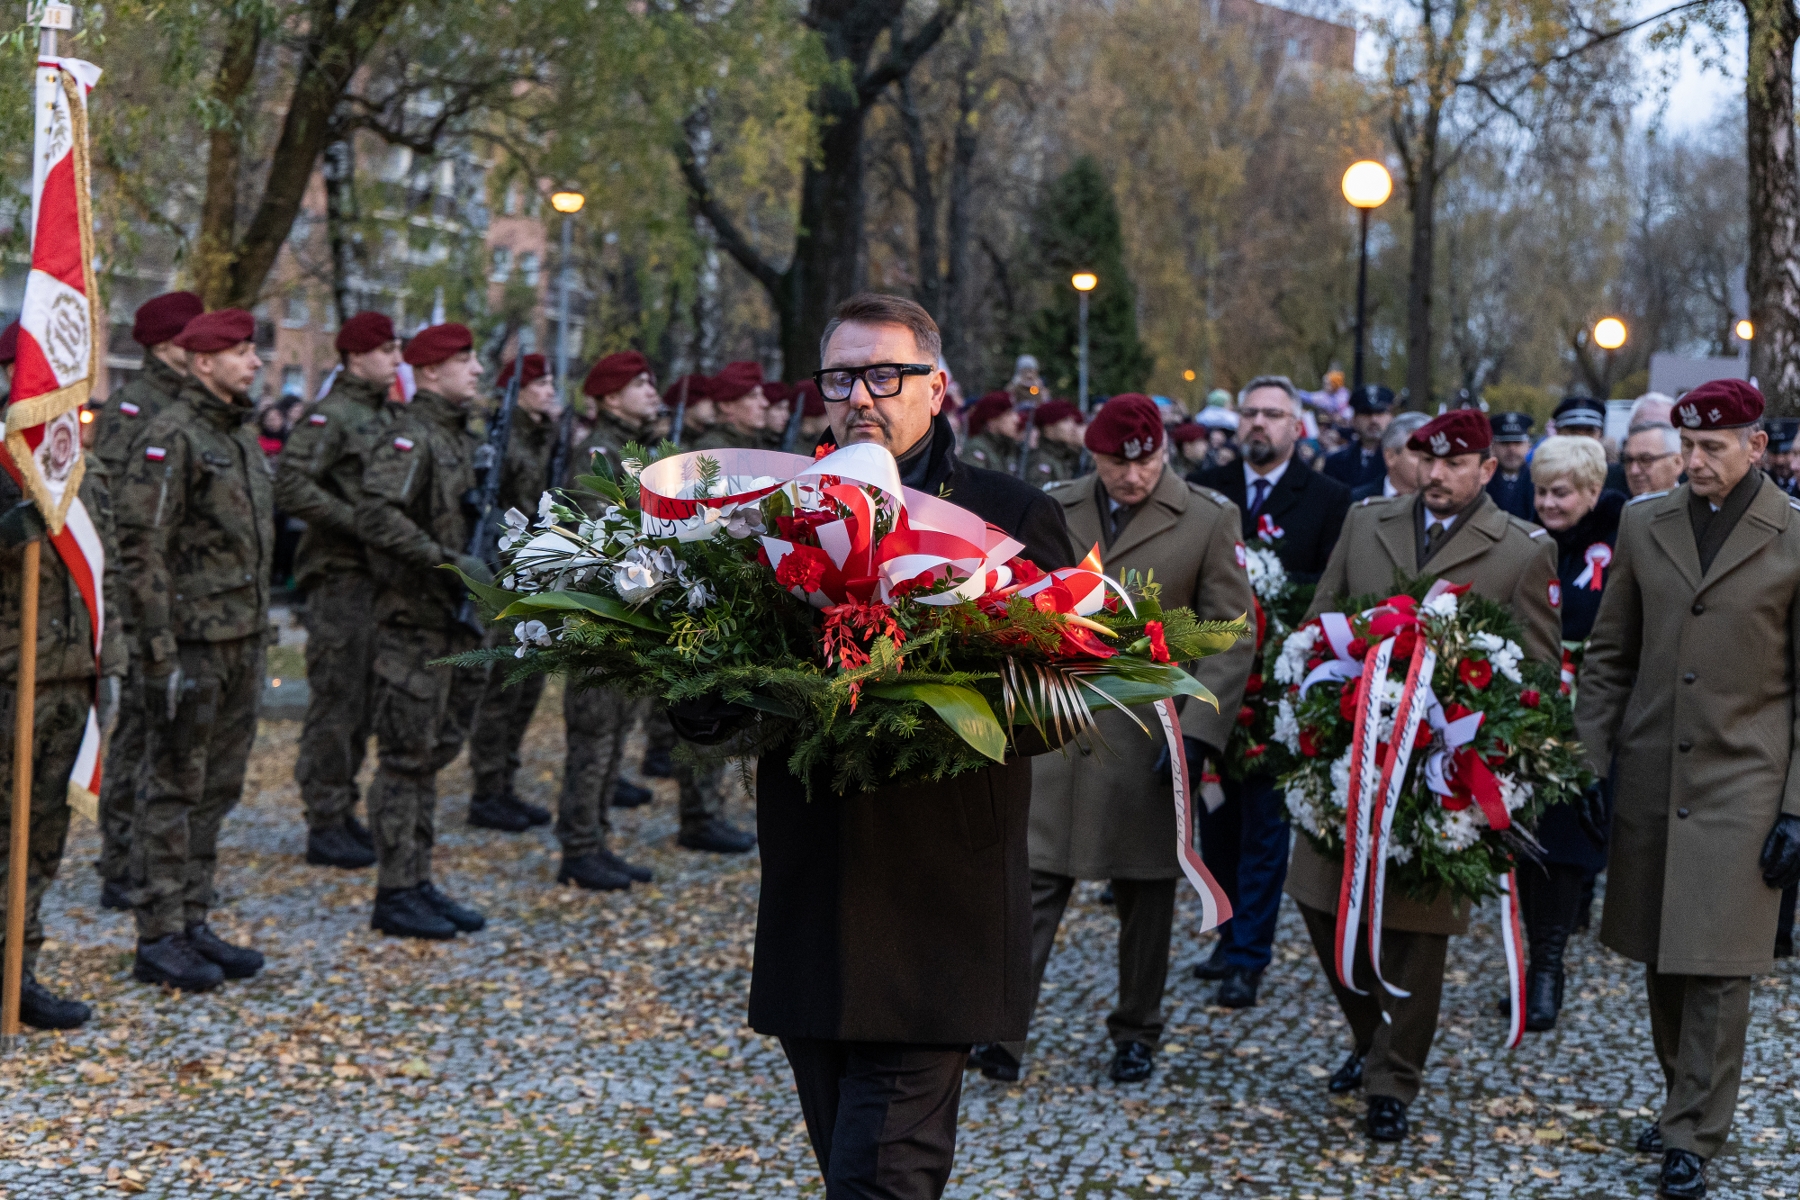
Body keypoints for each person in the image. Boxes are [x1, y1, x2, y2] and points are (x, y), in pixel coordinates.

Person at [752, 294, 1072, 1198]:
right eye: (842, 375)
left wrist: (929, 710)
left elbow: (1063, 700)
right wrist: (709, 705)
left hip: (939, 889)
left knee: (886, 1170)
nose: (862, 396)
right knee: (845, 1153)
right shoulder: (770, 511)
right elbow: (722, 670)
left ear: (939, 388)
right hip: (815, 876)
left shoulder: (1011, 514)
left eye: (886, 375)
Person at [970, 395, 1254, 1086]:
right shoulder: (1055, 505)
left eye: (1147, 462)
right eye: (1116, 464)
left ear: (1164, 452)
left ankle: (1137, 1030)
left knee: (1146, 896)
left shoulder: (1210, 518)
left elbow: (1231, 631)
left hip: (1146, 736)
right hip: (1056, 728)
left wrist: (1198, 735)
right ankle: (1002, 1031)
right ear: (1092, 457)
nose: (1133, 477)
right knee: (1031, 886)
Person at [1293, 409, 1559, 1143]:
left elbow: (1536, 671)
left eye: (1454, 462)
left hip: (1441, 771)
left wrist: (1505, 764)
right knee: (1320, 902)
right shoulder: (1367, 518)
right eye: (1425, 459)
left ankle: (1394, 1077)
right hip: (1347, 757)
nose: (1435, 474)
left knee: (1417, 930)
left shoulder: (1520, 549)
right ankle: (1367, 1035)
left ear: (1487, 470)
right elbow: (1321, 623)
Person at [1575, 378, 1800, 1200]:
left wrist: (1799, 808)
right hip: (1650, 772)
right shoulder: (1644, 523)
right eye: (1688, 446)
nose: (1695, 462)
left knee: (1717, 965)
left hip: (1747, 777)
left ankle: (1694, 1134)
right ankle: (1684, 1100)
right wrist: (1588, 762)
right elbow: (1609, 658)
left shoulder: (1793, 539)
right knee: (1663, 958)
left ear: (1756, 449)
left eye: (1712, 448)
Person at [115, 308, 275, 992]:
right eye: (241, 352)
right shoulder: (172, 436)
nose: (255, 361)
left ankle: (192, 918)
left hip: (242, 638)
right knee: (175, 786)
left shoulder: (235, 435)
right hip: (191, 643)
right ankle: (157, 935)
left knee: (218, 787)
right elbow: (141, 549)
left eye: (253, 351)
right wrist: (156, 653)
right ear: (202, 362)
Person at [1187, 376, 1351, 1004]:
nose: (1257, 424)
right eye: (1249, 413)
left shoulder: (1330, 497)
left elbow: (1331, 584)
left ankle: (1250, 955)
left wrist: (1272, 591)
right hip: (1213, 681)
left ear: (1297, 426)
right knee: (1215, 819)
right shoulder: (1210, 490)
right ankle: (1227, 933)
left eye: (1272, 415)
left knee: (1264, 823)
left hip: (1279, 690)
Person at [354, 322, 493, 940]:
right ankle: (395, 890)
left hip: (453, 625)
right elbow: (375, 514)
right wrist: (444, 560)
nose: (479, 370)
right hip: (413, 624)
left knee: (433, 755)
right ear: (430, 372)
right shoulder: (410, 436)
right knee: (406, 759)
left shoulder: (457, 438)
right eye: (466, 361)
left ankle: (418, 878)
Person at [1, 432, 128, 1027]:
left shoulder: (84, 468)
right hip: (10, 676)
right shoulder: (5, 463)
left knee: (43, 836)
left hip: (73, 676)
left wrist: (116, 660)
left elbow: (110, 571)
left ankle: (17, 973)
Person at [274, 310, 403, 870]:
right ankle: (324, 818)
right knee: (337, 701)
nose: (396, 360)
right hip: (340, 578)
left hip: (377, 580)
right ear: (355, 357)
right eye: (386, 350)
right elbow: (292, 484)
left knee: (364, 702)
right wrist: (357, 520)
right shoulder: (332, 417)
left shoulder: (381, 417)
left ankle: (343, 806)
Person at [91, 290, 204, 910]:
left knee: (172, 736)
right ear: (167, 347)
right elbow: (112, 511)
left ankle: (155, 862)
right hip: (140, 595)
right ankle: (120, 863)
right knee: (137, 730)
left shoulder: (189, 406)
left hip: (183, 595)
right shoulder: (136, 409)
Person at [1513, 436, 1624, 1031]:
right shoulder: (1526, 538)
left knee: (1563, 845)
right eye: (1540, 491)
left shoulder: (1620, 537)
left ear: (1590, 492)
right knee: (1527, 845)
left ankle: (1547, 971)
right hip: (1529, 706)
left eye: (1561, 493)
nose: (1547, 503)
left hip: (1592, 712)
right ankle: (1531, 963)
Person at [548, 350, 668, 890]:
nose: (652, 391)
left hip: (633, 612)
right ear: (610, 397)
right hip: (602, 614)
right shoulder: (597, 453)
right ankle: (578, 846)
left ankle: (596, 837)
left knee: (616, 730)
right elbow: (598, 536)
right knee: (594, 734)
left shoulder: (635, 452)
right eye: (640, 384)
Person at [462, 353, 562, 833]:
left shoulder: (542, 434)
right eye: (541, 384)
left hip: (536, 571)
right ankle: (487, 788)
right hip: (506, 572)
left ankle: (505, 781)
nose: (550, 390)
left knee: (527, 685)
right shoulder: (502, 438)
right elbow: (493, 502)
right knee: (503, 685)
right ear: (518, 391)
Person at [1550, 395, 1629, 493]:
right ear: (1558, 433)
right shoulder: (1539, 474)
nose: (1582, 440)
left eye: (1589, 432)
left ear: (1600, 435)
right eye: (1573, 432)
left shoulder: (1618, 478)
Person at [1322, 384, 1394, 490]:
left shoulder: (1400, 461)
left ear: (1391, 417)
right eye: (1366, 413)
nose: (1373, 420)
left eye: (1380, 413)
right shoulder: (1335, 463)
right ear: (1354, 419)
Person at [1350, 411, 1430, 501]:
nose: (1431, 466)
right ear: (1390, 457)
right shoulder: (1357, 502)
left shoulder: (1441, 506)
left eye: (1432, 458)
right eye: (1418, 455)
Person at [691, 361, 769, 452]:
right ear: (726, 405)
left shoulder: (757, 442)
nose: (765, 403)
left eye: (762, 395)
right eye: (753, 396)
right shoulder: (712, 450)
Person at [1022, 399, 1084, 487]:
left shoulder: (1063, 455)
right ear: (1048, 427)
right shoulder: (1040, 459)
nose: (1073, 426)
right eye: (1065, 420)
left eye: (1072, 421)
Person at [1486, 412, 1536, 520]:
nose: (1511, 449)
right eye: (1505, 443)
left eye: (1517, 443)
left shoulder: (1538, 481)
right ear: (1493, 446)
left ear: (1528, 445)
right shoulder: (1482, 483)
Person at [961, 391, 1024, 473]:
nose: (1017, 419)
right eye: (1009, 413)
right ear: (991, 419)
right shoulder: (977, 449)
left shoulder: (1006, 448)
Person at [1623, 422, 1684, 497]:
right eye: (1629, 460)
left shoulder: (1693, 507)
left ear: (1677, 463)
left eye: (1645, 460)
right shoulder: (1619, 507)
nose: (1634, 471)